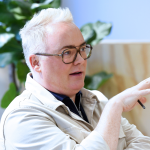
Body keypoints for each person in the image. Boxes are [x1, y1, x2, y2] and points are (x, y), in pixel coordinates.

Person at [0, 8, 150, 150]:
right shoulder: (23, 117)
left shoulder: (97, 100)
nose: (80, 60)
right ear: (36, 63)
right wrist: (114, 107)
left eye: (82, 49)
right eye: (67, 52)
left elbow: (143, 143)